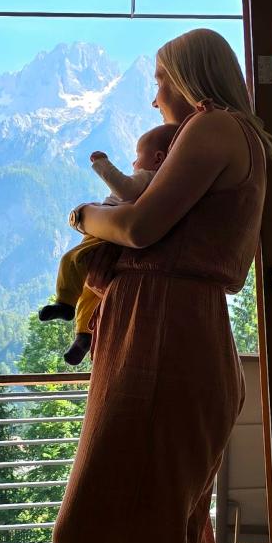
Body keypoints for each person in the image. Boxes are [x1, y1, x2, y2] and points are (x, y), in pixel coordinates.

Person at [52, 28, 272, 543]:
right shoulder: (229, 138)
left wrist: (84, 215)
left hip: (164, 341)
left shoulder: (214, 127)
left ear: (188, 76)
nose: (154, 99)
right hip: (169, 337)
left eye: (159, 79)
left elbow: (139, 226)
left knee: (88, 529)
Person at [39, 123, 178, 365]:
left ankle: (64, 303)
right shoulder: (166, 187)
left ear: (158, 158)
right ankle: (84, 336)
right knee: (90, 295)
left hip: (103, 233)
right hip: (115, 240)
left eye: (138, 156)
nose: (134, 163)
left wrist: (102, 164)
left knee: (72, 260)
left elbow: (124, 189)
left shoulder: (148, 177)